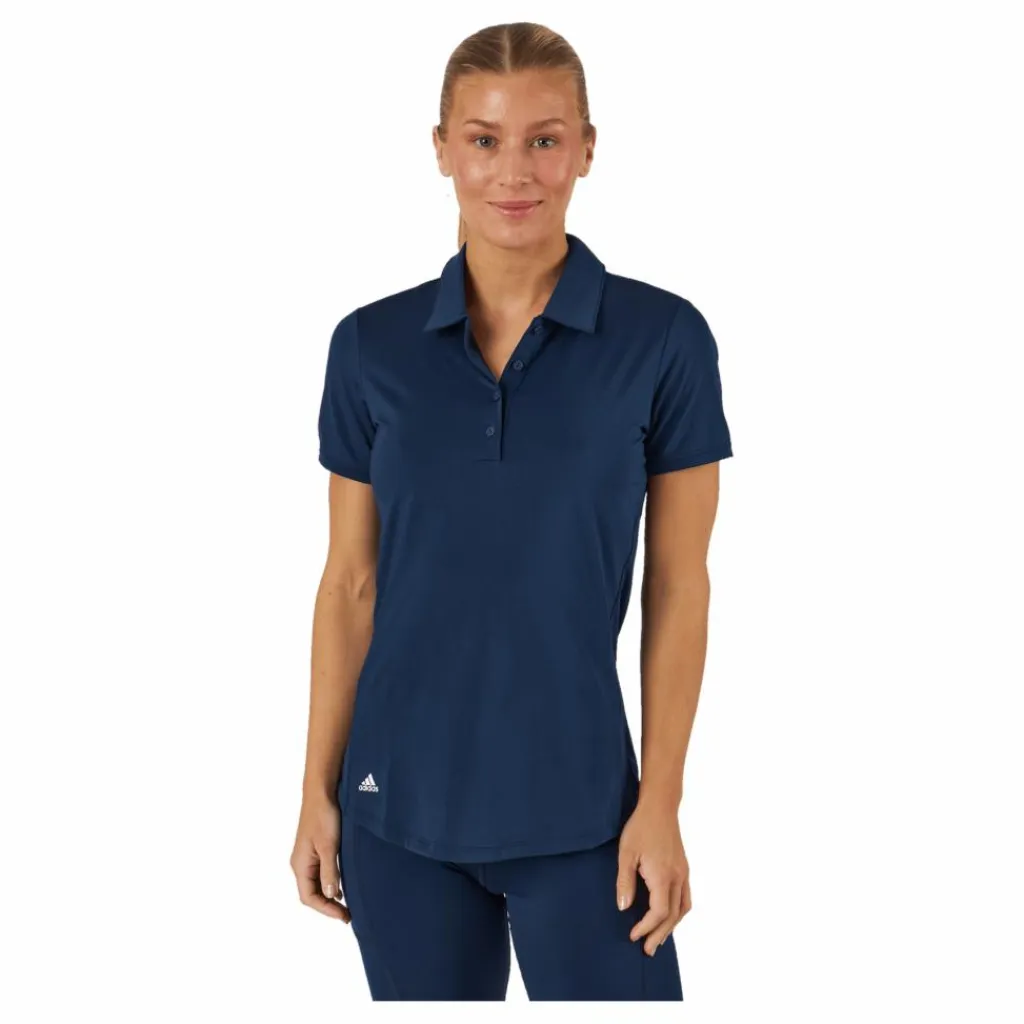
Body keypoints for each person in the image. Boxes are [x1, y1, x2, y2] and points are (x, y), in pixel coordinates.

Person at [290, 21, 733, 1001]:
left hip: (588, 813)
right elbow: (351, 583)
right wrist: (316, 791)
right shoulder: (369, 346)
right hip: (393, 809)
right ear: (442, 149)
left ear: (586, 148)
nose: (514, 170)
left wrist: (661, 800)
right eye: (484, 139)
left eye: (544, 138)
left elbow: (678, 586)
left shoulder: (662, 339)